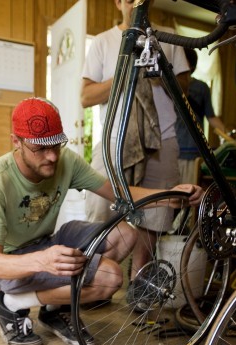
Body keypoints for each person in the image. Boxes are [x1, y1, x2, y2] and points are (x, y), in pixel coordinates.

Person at [0, 97, 203, 345]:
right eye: (40, 148)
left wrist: (168, 196)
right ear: (16, 142)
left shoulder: (66, 161)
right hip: (15, 265)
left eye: (56, 145)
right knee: (110, 279)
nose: (52, 156)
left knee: (126, 234)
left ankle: (54, 307)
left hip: (48, 241)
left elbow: (118, 192)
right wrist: (42, 260)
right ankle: (11, 303)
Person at [81, 0, 191, 278]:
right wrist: (127, 70)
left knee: (155, 218)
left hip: (162, 141)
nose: (135, 5)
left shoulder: (168, 39)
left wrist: (158, 71)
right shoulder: (103, 42)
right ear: (118, 3)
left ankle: (140, 283)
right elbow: (86, 96)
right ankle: (95, 283)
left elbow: (184, 90)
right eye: (129, 0)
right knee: (99, 214)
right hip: (113, 140)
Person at [176, 48, 227, 185]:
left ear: (190, 66)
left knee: (188, 196)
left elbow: (211, 117)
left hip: (193, 153)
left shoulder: (201, 87)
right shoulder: (167, 85)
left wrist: (227, 136)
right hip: (170, 151)